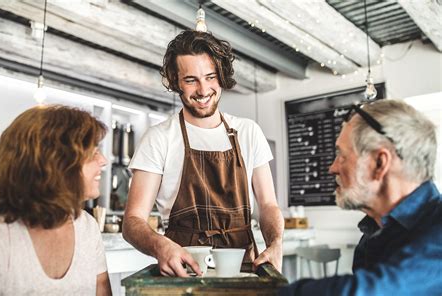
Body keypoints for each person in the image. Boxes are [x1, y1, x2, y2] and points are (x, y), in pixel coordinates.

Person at [122, 30, 284, 277]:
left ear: (221, 76)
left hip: (243, 271)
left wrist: (275, 243)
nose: (203, 89)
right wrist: (159, 246)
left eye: (210, 77)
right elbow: (133, 221)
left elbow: (268, 205)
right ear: (176, 81)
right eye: (190, 80)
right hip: (184, 273)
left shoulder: (248, 132)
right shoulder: (159, 138)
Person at [279, 99, 442, 295]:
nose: (332, 168)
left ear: (380, 163)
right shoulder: (373, 231)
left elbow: (374, 291)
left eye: (342, 155)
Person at [0, 105, 112, 295]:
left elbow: (101, 289)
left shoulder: (87, 227)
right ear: (57, 162)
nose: (103, 160)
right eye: (92, 152)